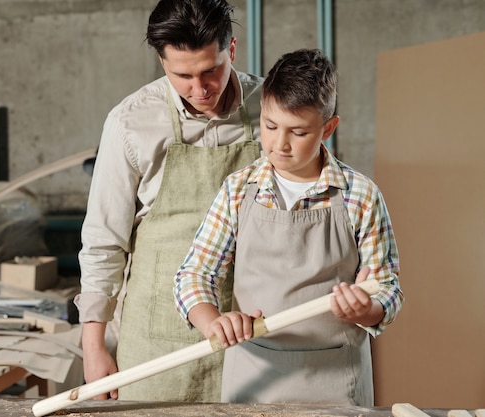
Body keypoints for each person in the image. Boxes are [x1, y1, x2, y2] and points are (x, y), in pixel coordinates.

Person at [173, 48, 404, 406]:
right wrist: (212, 323)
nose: (280, 144)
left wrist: (367, 309)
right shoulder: (238, 190)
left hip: (335, 380)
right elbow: (193, 275)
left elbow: (387, 289)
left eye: (298, 132)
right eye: (270, 126)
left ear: (328, 128)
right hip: (253, 376)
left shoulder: (360, 196)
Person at [75, 0, 263, 402]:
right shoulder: (130, 122)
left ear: (231, 50)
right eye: (183, 75)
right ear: (162, 63)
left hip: (254, 328)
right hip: (157, 341)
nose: (200, 89)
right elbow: (104, 241)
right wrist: (93, 348)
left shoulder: (271, 109)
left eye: (210, 70)